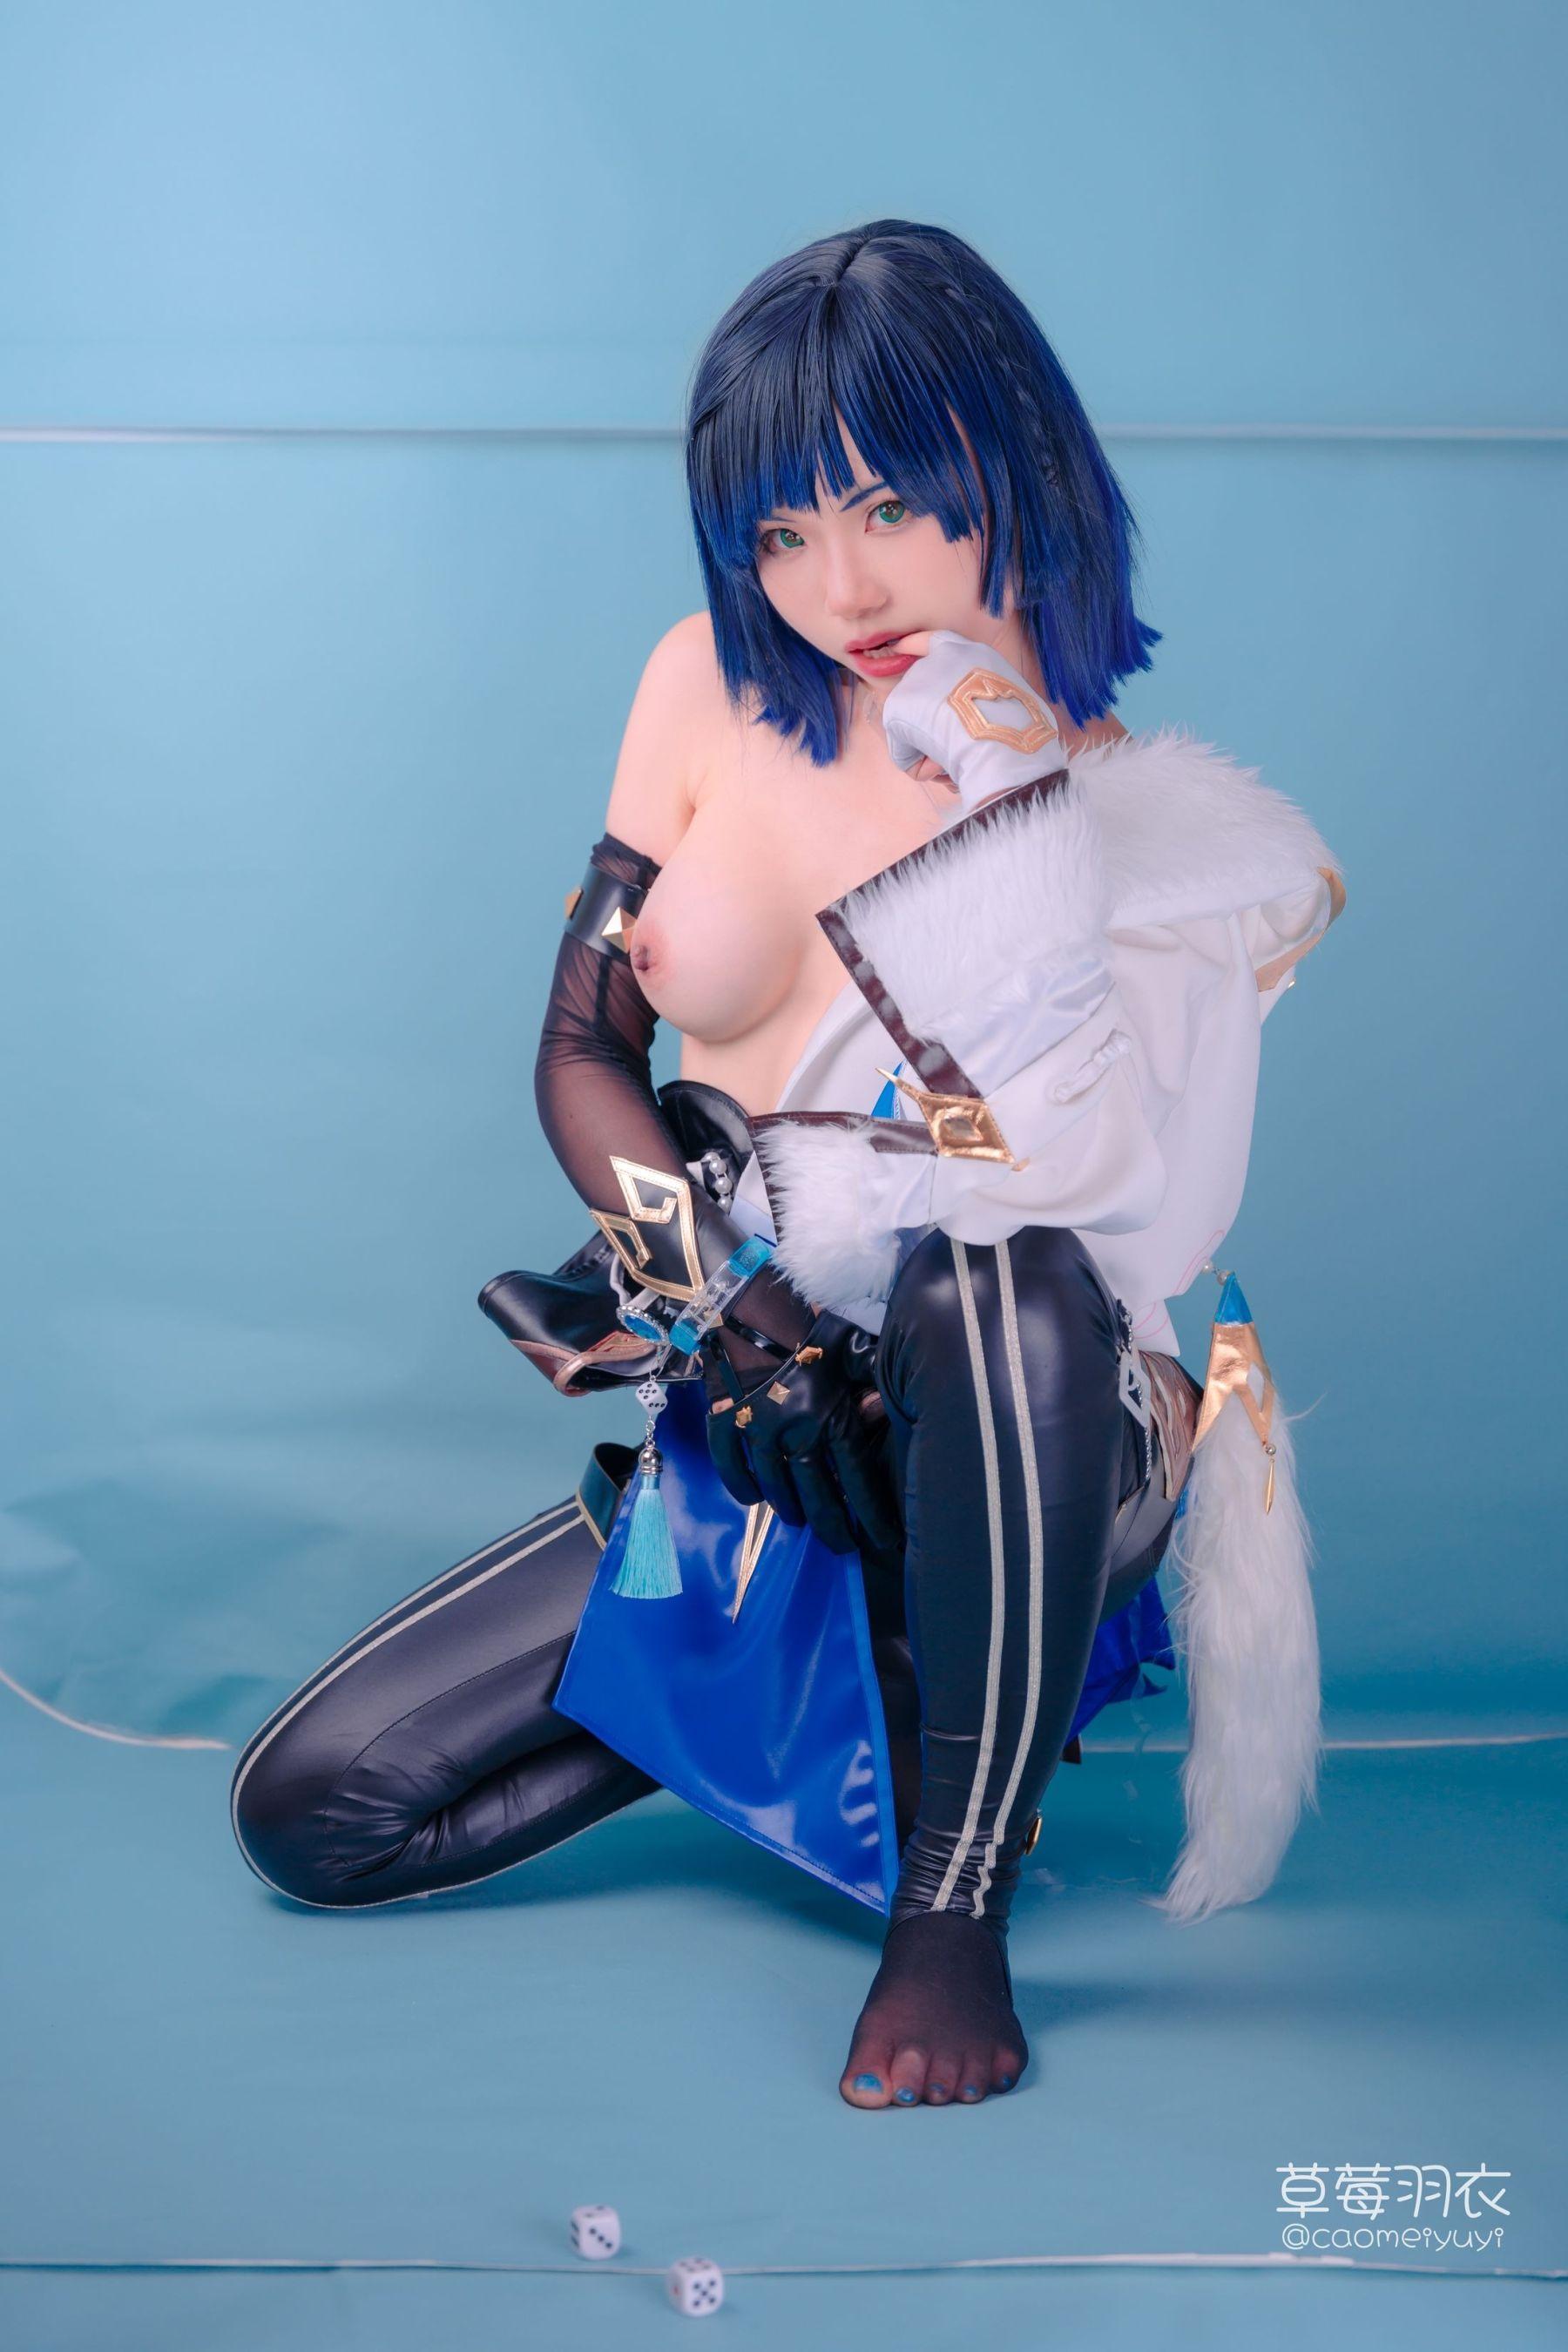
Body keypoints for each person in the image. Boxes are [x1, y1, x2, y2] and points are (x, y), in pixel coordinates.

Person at [231, 220, 1344, 2112]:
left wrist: (1010, 786)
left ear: (1015, 462)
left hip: (1045, 1408)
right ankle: (794, 1696)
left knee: (991, 1280)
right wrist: (730, 1319)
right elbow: (585, 1051)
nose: (843, 585)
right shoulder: (702, 686)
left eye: (892, 506)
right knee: (319, 1811)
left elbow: (1090, 1206)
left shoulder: (1110, 800)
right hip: (765, 1390)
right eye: (782, 531)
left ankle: (951, 1908)